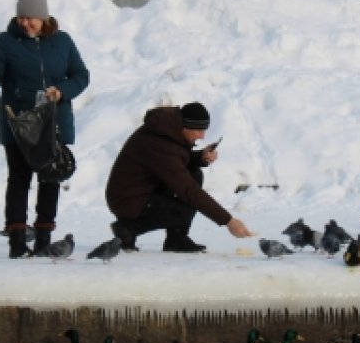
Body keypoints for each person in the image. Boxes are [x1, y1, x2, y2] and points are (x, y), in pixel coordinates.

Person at [0, 0, 89, 258]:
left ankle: (43, 239)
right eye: (21, 18)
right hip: (19, 124)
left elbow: (81, 75)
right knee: (19, 179)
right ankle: (17, 241)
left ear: (43, 17)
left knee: (50, 179)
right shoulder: (7, 41)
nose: (25, 23)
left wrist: (61, 92)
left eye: (30, 18)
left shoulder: (62, 42)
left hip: (52, 124)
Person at [105, 102, 253, 253]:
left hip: (143, 191)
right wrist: (228, 221)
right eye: (199, 130)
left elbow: (176, 159)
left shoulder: (169, 130)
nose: (202, 136)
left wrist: (200, 157)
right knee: (183, 208)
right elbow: (189, 189)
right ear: (186, 127)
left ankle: (176, 239)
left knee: (194, 173)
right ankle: (128, 228)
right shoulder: (160, 142)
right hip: (127, 199)